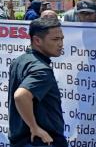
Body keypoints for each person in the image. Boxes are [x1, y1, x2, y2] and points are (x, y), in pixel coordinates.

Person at [8, 17, 66, 147]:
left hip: (20, 139)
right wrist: (34, 127)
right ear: (37, 40)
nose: (61, 44)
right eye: (55, 39)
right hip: (42, 141)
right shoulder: (42, 69)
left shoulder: (20, 61)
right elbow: (21, 96)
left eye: (62, 38)